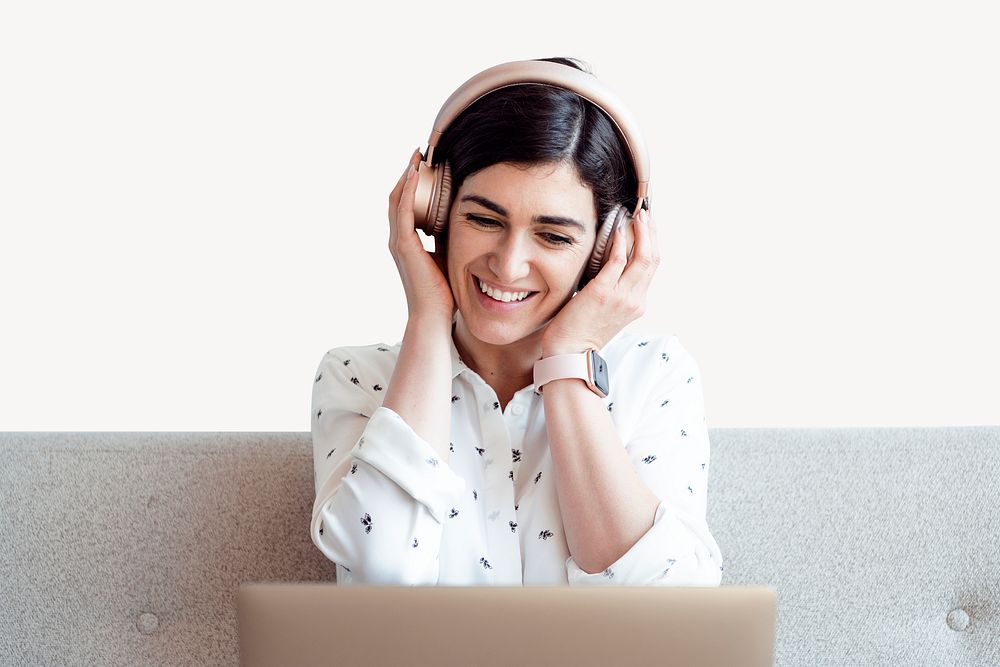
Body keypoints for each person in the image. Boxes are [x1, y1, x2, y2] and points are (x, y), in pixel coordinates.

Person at [310, 57, 724, 586]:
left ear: (606, 250)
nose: (507, 265)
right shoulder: (354, 377)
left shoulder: (655, 374)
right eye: (483, 219)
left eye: (553, 236)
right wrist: (428, 318)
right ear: (432, 212)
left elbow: (667, 607)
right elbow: (381, 569)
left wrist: (568, 358)